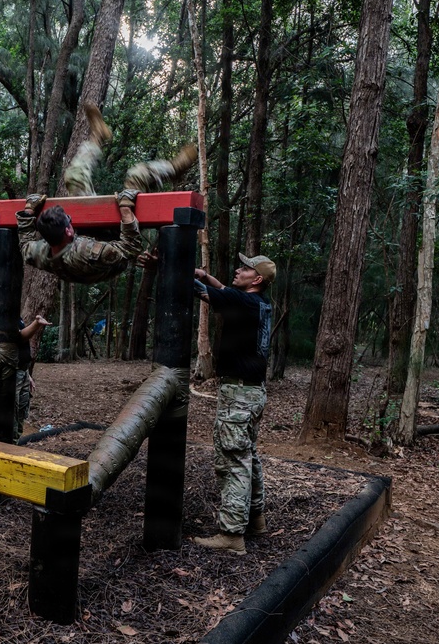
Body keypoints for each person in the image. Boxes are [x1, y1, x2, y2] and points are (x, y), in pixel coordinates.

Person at [17, 102, 197, 285]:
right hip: (116, 241)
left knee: (74, 176)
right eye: (69, 220)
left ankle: (98, 137)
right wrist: (126, 209)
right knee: (137, 176)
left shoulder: (40, 252)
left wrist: (28, 212)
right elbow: (130, 249)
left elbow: (25, 246)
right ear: (68, 230)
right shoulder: (89, 251)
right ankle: (173, 169)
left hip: (84, 240)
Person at [192, 253, 276, 555]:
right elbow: (223, 290)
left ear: (257, 280)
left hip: (238, 396)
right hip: (253, 393)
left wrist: (174, 268)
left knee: (233, 460)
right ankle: (256, 518)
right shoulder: (260, 303)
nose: (238, 270)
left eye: (245, 268)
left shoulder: (243, 302)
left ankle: (231, 533)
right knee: (248, 455)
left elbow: (203, 293)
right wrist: (205, 274)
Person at [14, 314, 52, 442]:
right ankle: (10, 446)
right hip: (12, 373)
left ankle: (16, 442)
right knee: (12, 414)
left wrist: (27, 375)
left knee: (21, 411)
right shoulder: (4, 317)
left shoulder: (17, 316)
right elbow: (20, 337)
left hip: (22, 372)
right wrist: (37, 323)